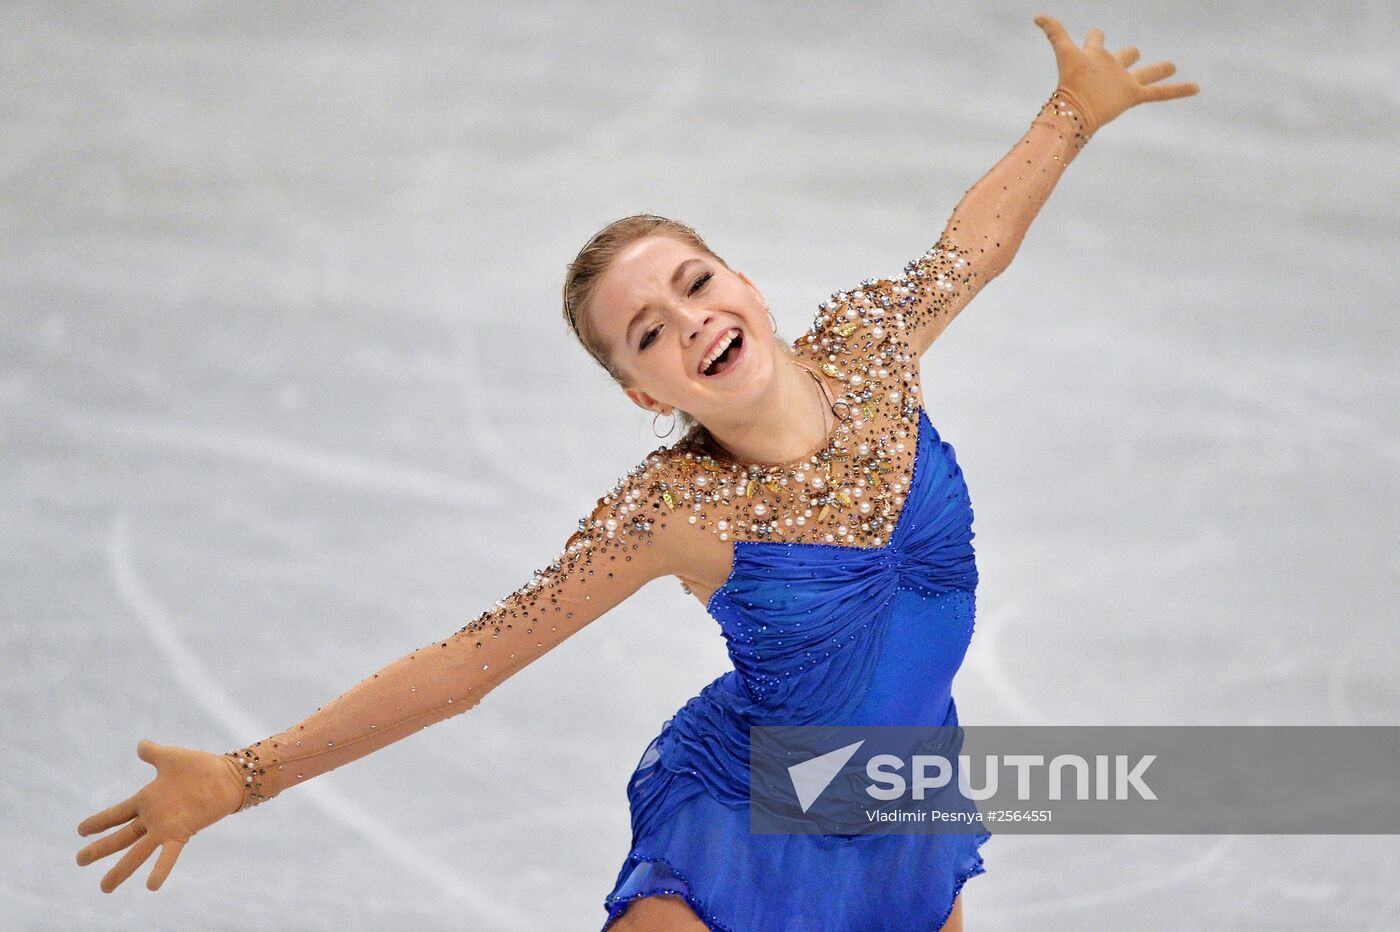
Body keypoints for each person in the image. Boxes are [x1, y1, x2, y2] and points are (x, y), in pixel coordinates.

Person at [75, 14, 1197, 930]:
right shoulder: (672, 510)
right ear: (644, 394)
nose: (691, 322)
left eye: (697, 283)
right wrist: (246, 771)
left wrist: (1069, 113)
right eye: (648, 332)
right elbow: (472, 661)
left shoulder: (871, 350)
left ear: (746, 284)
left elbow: (970, 246)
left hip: (906, 805)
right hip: (738, 812)